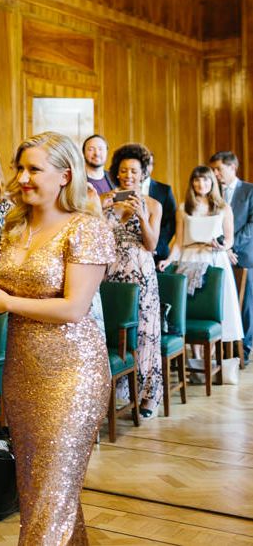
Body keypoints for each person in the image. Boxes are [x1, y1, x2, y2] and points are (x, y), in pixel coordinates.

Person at [0, 131, 114, 545]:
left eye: (35, 169)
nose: (23, 177)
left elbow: (73, 308)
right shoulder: (13, 227)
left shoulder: (85, 229)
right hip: (22, 374)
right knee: (42, 494)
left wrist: (5, 302)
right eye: (20, 168)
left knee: (51, 494)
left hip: (72, 377)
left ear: (66, 176)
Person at [104, 143, 163, 418]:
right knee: (115, 333)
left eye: (134, 171)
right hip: (109, 273)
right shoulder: (105, 198)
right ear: (117, 172)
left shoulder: (153, 204)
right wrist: (110, 207)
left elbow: (151, 245)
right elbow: (98, 234)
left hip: (141, 275)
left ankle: (148, 397)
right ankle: (116, 393)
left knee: (144, 334)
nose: (128, 175)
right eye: (124, 170)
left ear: (143, 174)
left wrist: (140, 213)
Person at [159, 166, 243, 347]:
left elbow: (229, 240)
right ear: (192, 183)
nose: (201, 183)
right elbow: (179, 243)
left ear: (212, 181)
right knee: (192, 307)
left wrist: (222, 246)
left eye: (205, 179)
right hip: (189, 258)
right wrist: (169, 260)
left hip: (214, 258)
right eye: (197, 180)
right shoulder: (183, 208)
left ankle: (214, 351)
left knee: (215, 306)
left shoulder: (223, 207)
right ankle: (194, 354)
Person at [209, 150, 253, 364]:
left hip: (243, 256)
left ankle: (243, 348)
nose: (215, 174)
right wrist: (223, 247)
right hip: (219, 254)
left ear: (232, 167)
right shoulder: (213, 192)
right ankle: (223, 350)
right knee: (223, 301)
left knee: (246, 304)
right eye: (213, 170)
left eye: (219, 169)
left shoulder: (249, 191)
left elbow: (251, 225)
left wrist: (231, 245)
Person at [142, 152, 177, 264]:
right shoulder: (120, 190)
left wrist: (155, 246)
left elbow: (170, 224)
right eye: (142, 163)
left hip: (158, 254)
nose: (146, 167)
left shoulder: (164, 190)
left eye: (149, 164)